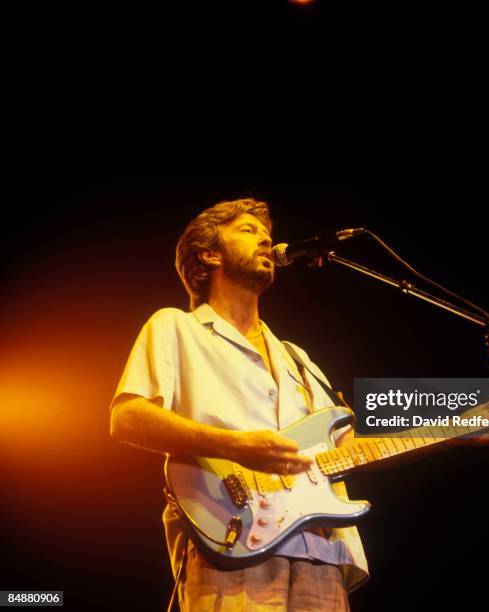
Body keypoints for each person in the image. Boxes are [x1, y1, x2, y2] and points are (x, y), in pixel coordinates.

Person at [109, 198, 369, 611]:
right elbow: (127, 417)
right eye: (247, 231)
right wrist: (237, 446)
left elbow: (348, 445)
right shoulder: (175, 326)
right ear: (209, 253)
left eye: (266, 232)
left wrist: (453, 427)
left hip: (323, 553)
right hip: (230, 542)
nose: (266, 239)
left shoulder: (296, 357)